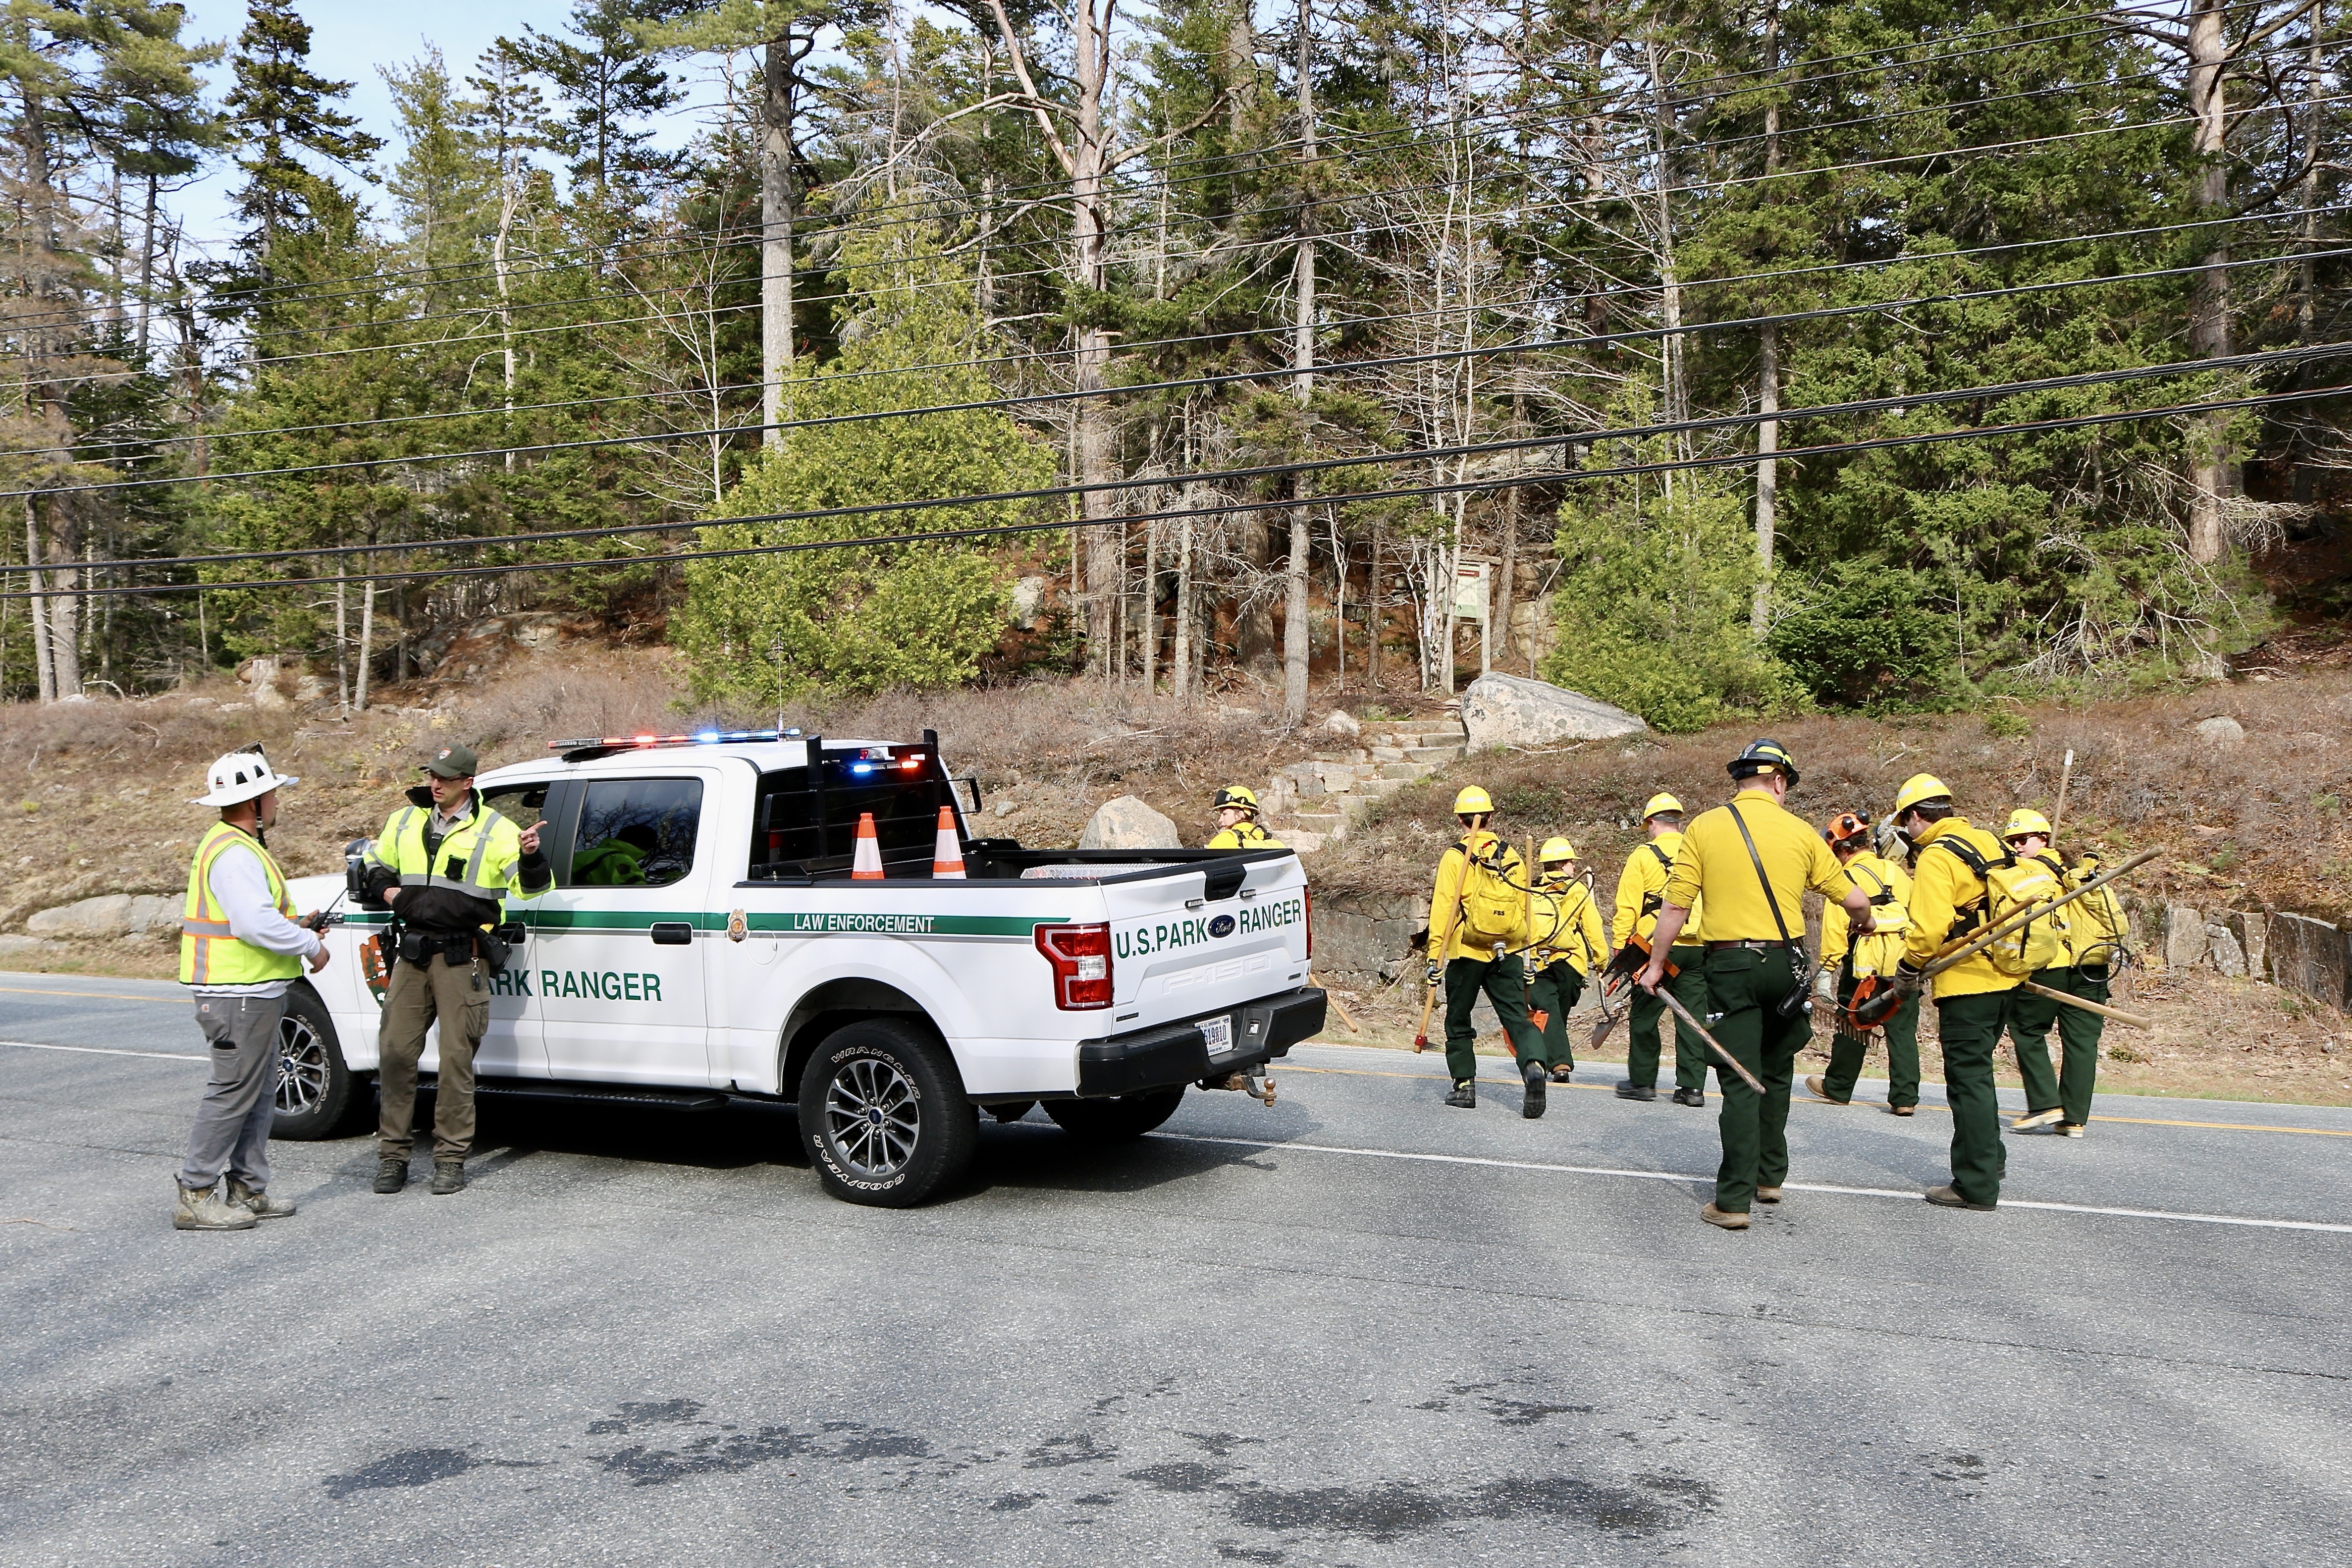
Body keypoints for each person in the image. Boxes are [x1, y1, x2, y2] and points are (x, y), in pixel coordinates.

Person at [1638, 741, 1876, 1230]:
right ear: (1780, 781)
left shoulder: (1702, 827)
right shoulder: (1801, 832)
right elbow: (1853, 898)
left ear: (1741, 779)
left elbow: (1676, 908)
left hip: (1731, 964)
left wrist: (1656, 964)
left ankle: (1733, 1200)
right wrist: (1865, 921)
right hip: (1786, 966)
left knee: (1740, 1076)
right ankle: (1770, 1176)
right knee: (1777, 1068)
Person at [358, 742, 551, 1197]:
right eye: (431, 775)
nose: (434, 783)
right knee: (396, 1054)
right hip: (411, 954)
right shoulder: (404, 821)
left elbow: (531, 887)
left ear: (468, 782)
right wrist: (392, 897)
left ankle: (449, 1159)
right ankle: (393, 1157)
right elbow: (374, 866)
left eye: (444, 777)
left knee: (455, 1062)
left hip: (461, 957)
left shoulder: (497, 829)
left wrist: (529, 854)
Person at [174, 746, 330, 1231]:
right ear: (257, 801)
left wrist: (293, 925)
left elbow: (256, 919)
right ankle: (197, 1193)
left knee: (259, 1092)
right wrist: (308, 943)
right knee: (233, 1092)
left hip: (250, 991)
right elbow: (250, 924)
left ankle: (247, 1188)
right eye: (273, 794)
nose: (278, 801)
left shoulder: (235, 846)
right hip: (236, 994)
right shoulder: (236, 852)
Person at [1889, 773, 2025, 1212]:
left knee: (1968, 1082)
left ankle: (1976, 1184)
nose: (1906, 833)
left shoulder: (1936, 856)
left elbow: (1928, 930)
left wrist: (1908, 968)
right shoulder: (1988, 842)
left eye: (1904, 822)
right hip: (2007, 975)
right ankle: (1992, 1159)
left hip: (1967, 983)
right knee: (1980, 1076)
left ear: (1915, 817)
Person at [2000, 808, 2126, 1139]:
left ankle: (2046, 1104)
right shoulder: (2081, 870)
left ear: (2042, 838)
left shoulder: (2022, 873)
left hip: (2051, 966)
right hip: (2092, 967)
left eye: (2022, 839)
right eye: (2011, 840)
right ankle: (2074, 1118)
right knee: (2082, 1042)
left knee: (2026, 1028)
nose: (2016, 846)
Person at [1425, 786, 1548, 1115]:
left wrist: (1434, 956)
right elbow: (1526, 908)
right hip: (1506, 951)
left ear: (1461, 819)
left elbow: (1443, 910)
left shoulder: (1456, 856)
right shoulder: (1512, 856)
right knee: (1517, 1018)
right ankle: (1534, 1066)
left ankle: (1464, 1086)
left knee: (1458, 1019)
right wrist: (1530, 956)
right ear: (1491, 817)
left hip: (1466, 950)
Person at [1805, 810, 1921, 1116]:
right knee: (1902, 1029)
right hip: (1903, 964)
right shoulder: (1896, 872)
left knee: (1852, 1024)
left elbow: (1834, 926)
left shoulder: (1845, 877)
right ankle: (1905, 1097)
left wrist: (1827, 969)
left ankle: (1839, 1087)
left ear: (1842, 849)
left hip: (1864, 968)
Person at [1612, 792, 1709, 1106]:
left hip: (1656, 949)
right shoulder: (1700, 852)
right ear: (1678, 823)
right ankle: (1692, 1088)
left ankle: (1643, 1082)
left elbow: (1627, 906)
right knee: (1692, 1019)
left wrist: (1619, 947)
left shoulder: (1643, 856)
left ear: (1653, 823)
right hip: (1697, 946)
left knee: (1644, 1015)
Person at [1526, 837, 1609, 1088]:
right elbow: (1594, 928)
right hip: (1571, 964)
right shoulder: (1578, 890)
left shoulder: (1530, 891)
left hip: (1537, 963)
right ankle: (1560, 1065)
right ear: (1564, 865)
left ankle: (1544, 1057)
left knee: (1551, 1013)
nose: (1574, 867)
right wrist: (1602, 959)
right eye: (1572, 863)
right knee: (1552, 1011)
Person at [1205, 785, 1281, 849]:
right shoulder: (1265, 838)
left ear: (1240, 815)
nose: (1220, 820)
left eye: (1225, 814)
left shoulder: (1222, 841)